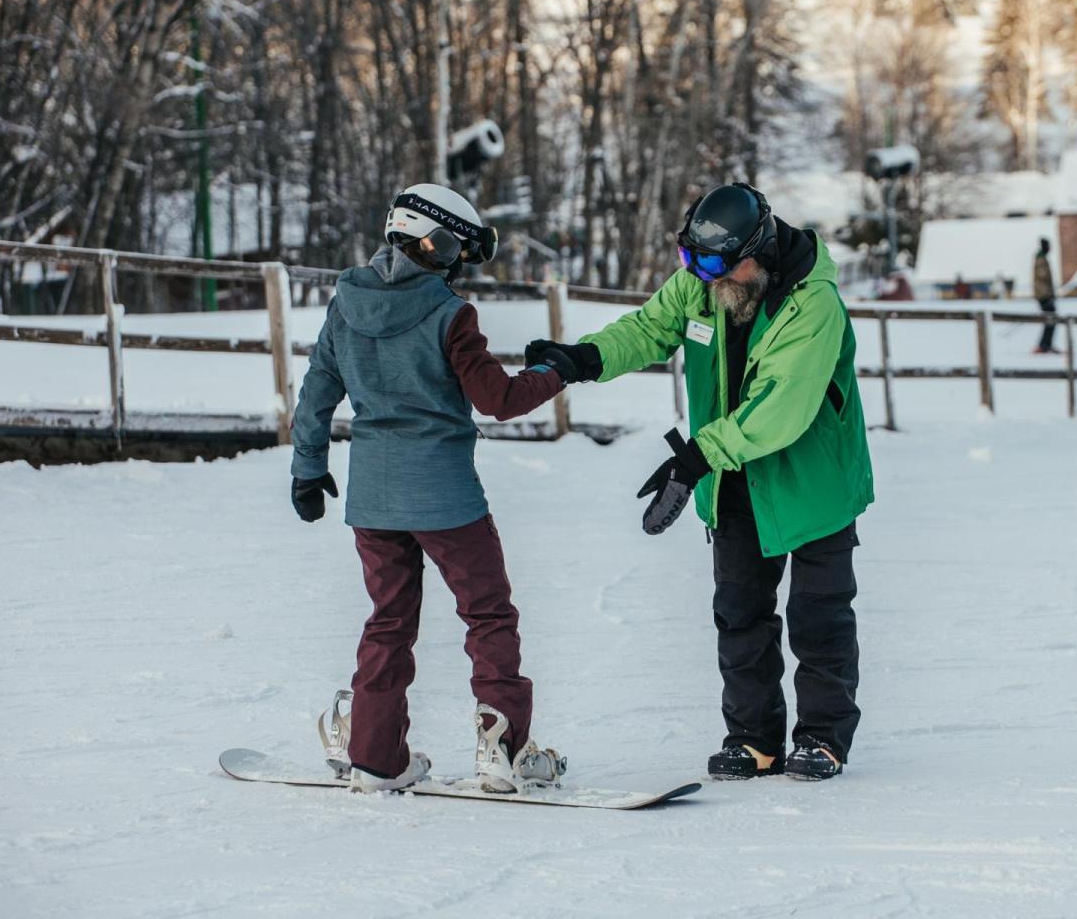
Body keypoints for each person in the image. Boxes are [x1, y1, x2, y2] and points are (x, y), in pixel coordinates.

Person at [527, 183, 874, 782]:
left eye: (714, 262)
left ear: (759, 249)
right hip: (731, 476)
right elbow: (649, 328)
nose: (701, 274)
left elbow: (780, 408)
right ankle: (753, 740)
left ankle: (822, 738)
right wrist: (581, 359)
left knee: (819, 617)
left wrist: (694, 459)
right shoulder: (708, 280)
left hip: (812, 480)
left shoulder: (813, 304)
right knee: (739, 613)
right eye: (691, 259)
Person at [290, 183, 577, 794]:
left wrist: (308, 469)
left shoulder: (345, 305)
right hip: (445, 495)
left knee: (388, 621)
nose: (457, 269)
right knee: (488, 615)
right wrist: (558, 370)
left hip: (372, 495)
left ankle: (375, 757)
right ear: (435, 242)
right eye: (456, 254)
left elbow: (317, 393)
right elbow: (497, 400)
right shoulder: (450, 314)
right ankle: (502, 750)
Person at [1033, 237, 1060, 355]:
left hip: (1046, 295)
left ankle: (1046, 345)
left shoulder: (1042, 258)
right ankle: (1043, 346)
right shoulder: (1040, 259)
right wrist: (1048, 295)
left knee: (1051, 319)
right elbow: (1043, 276)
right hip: (1044, 295)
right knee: (1050, 319)